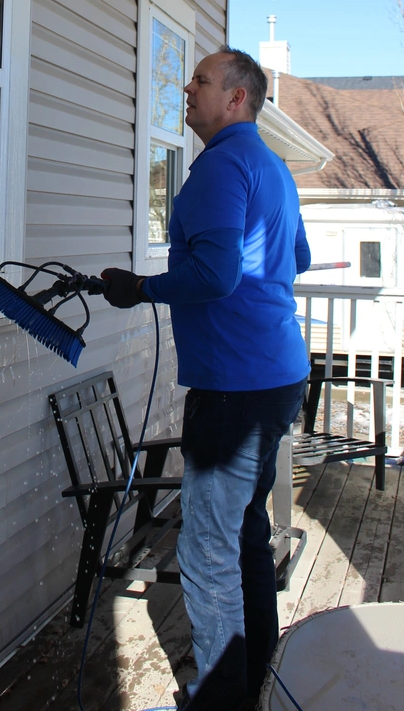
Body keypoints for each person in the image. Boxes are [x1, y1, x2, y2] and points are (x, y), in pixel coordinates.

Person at [101, 46, 311, 711]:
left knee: (208, 549)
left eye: (201, 80)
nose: (187, 89)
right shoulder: (274, 167)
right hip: (278, 377)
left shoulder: (221, 168)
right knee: (246, 533)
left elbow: (217, 277)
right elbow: (295, 257)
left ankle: (218, 699)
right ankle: (247, 684)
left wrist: (140, 288)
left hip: (235, 389)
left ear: (237, 98)